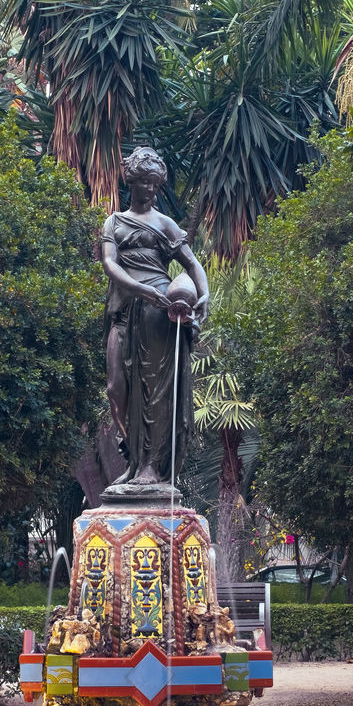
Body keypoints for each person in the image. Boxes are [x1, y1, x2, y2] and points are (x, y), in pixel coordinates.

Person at [101, 147, 209, 488]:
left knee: (155, 392)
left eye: (154, 183)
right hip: (124, 309)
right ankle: (133, 454)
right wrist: (139, 288)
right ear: (131, 180)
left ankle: (150, 465)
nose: (149, 189)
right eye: (144, 182)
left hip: (158, 313)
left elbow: (192, 264)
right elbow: (109, 263)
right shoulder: (114, 221)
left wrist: (203, 295)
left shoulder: (165, 224)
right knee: (116, 387)